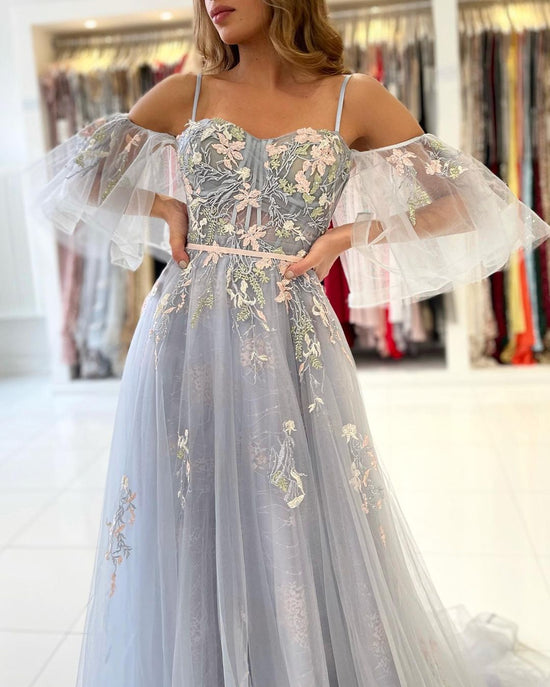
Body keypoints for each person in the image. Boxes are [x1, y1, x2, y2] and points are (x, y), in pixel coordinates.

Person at [25, 1, 550, 685]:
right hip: (185, 335)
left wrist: (349, 235)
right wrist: (163, 206)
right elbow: (77, 172)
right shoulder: (187, 92)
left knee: (294, 506)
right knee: (190, 508)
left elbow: (465, 202)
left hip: (291, 333)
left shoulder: (353, 97)